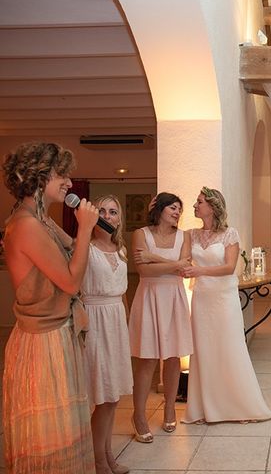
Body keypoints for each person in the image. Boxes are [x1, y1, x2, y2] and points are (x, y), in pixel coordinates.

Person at [2, 142, 98, 472]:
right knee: (49, 435)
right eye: (63, 174)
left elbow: (71, 248)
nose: (70, 182)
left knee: (65, 431)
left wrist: (80, 232)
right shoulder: (25, 225)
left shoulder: (39, 218)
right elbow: (71, 282)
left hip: (57, 335)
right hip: (42, 343)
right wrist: (85, 227)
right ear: (40, 177)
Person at [181, 187, 271, 424]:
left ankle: (238, 405)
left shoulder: (229, 234)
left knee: (229, 348)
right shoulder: (190, 234)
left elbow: (229, 267)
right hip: (202, 298)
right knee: (204, 350)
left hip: (223, 299)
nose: (195, 205)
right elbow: (181, 260)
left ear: (212, 206)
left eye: (199, 201)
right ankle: (205, 407)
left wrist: (199, 270)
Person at [129, 192, 193, 443]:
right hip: (150, 297)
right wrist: (174, 264)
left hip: (175, 297)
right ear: (159, 209)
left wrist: (154, 257)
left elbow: (185, 266)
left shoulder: (184, 236)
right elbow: (143, 270)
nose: (177, 213)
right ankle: (139, 415)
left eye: (180, 209)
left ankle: (169, 409)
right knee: (147, 359)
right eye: (173, 208)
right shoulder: (140, 234)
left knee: (175, 356)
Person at [82, 195, 133, 474]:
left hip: (115, 323)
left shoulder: (121, 250)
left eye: (113, 212)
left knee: (113, 397)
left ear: (119, 219)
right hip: (95, 321)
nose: (107, 215)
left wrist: (125, 325)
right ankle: (97, 460)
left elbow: (123, 293)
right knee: (102, 397)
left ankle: (108, 454)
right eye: (101, 210)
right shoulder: (86, 249)